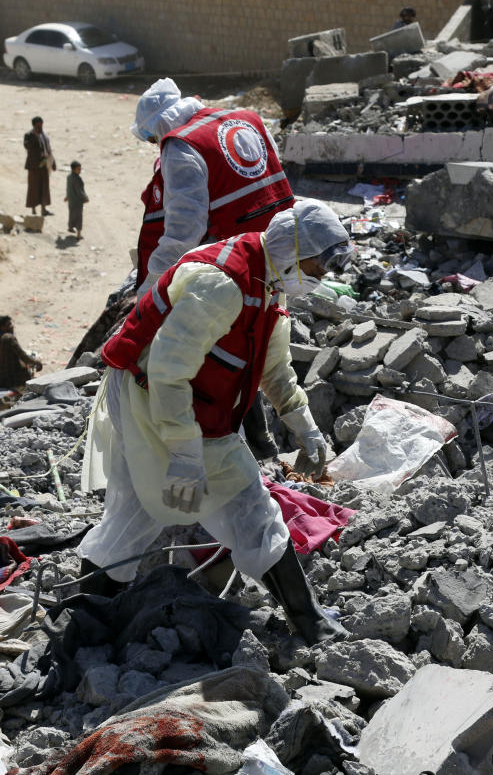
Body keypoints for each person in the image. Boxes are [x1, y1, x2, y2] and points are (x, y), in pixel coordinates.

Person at [77, 200, 355, 645]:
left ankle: (309, 619)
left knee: (243, 504)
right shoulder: (222, 285)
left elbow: (273, 365)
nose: (320, 278)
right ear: (293, 249)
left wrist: (303, 423)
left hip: (183, 399)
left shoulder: (268, 281)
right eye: (316, 265)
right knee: (142, 507)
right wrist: (185, 453)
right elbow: (168, 371)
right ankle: (86, 620)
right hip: (148, 396)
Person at [130, 77, 294, 293]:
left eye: (153, 138)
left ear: (161, 123)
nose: (157, 143)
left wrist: (153, 282)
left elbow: (184, 229)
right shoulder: (249, 118)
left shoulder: (181, 146)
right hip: (288, 242)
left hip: (243, 260)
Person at [0, 315, 42, 392]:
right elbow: (22, 356)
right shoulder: (9, 338)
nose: (12, 327)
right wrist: (36, 363)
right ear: (2, 327)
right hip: (15, 382)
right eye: (9, 324)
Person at [23, 116, 56, 216]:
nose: (40, 126)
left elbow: (48, 149)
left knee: (44, 187)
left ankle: (43, 209)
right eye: (38, 124)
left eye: (41, 124)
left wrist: (53, 162)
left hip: (44, 165)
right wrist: (35, 137)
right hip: (33, 166)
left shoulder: (44, 135)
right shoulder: (29, 135)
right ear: (34, 125)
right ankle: (33, 209)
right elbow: (27, 146)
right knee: (33, 187)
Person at [65, 160, 88, 238]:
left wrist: (67, 196)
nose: (80, 170)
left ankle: (70, 227)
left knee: (71, 214)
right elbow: (79, 191)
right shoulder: (77, 179)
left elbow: (68, 188)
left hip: (71, 200)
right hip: (77, 201)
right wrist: (85, 198)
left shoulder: (69, 177)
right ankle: (78, 234)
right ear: (73, 169)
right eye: (78, 169)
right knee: (78, 217)